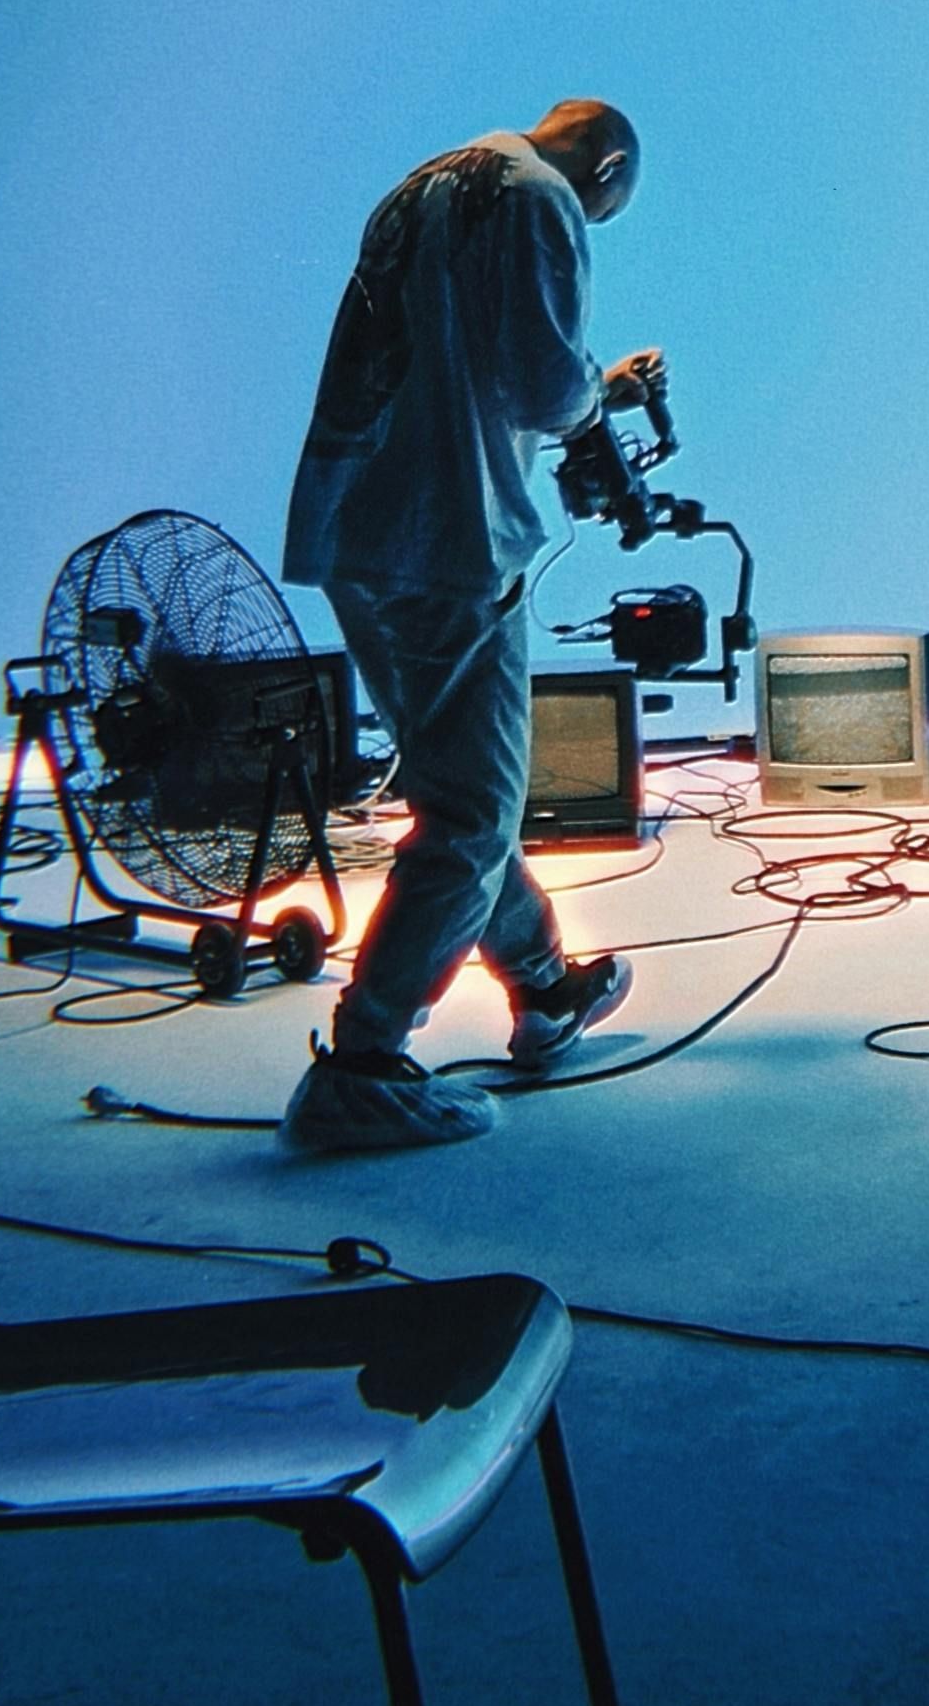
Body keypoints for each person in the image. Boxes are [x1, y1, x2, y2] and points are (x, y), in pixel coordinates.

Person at [277, 96, 658, 1152]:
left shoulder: (425, 180)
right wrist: (598, 393)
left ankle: (544, 986)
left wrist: (595, 388)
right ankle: (364, 1062)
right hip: (450, 537)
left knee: (458, 792)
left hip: (359, 529)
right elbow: (540, 385)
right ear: (607, 164)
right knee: (475, 816)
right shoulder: (542, 199)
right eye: (612, 204)